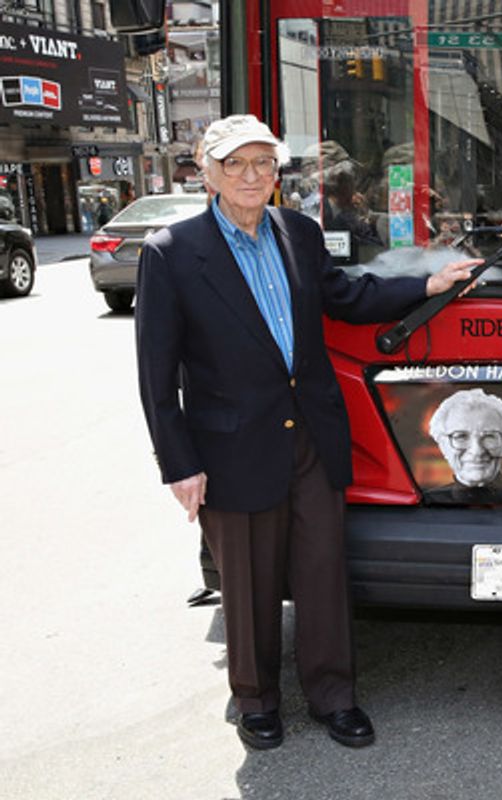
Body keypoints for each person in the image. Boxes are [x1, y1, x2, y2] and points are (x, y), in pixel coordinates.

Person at [135, 114, 480, 750]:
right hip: (230, 444)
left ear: (276, 174)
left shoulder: (297, 230)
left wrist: (425, 284)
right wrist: (179, 465)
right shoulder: (172, 252)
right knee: (249, 583)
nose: (249, 175)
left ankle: (333, 696)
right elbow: (156, 376)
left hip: (312, 436)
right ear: (208, 173)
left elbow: (346, 295)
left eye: (261, 163)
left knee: (322, 573)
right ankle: (257, 700)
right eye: (234, 164)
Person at [422, 388, 502, 506]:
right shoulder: (424, 507)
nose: (477, 451)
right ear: (443, 446)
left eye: (489, 437)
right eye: (461, 436)